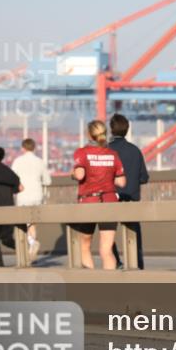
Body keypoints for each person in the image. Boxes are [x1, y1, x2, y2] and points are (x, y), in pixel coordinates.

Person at [72, 120, 126, 270]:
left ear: (89, 134)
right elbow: (121, 182)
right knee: (106, 250)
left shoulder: (82, 152)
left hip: (89, 202)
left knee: (85, 245)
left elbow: (80, 175)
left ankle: (90, 282)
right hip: (110, 201)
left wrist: (73, 173)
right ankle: (110, 285)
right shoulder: (113, 154)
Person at [108, 114, 150, 270]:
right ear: (127, 129)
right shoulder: (135, 151)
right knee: (134, 231)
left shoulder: (106, 151)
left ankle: (116, 261)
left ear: (111, 130)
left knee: (108, 232)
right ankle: (137, 263)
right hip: (131, 197)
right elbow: (144, 178)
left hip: (111, 197)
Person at [11, 138, 51, 262]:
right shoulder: (40, 161)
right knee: (32, 223)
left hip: (23, 195)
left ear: (23, 148)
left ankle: (32, 243)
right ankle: (30, 251)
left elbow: (12, 178)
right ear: (34, 148)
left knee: (25, 223)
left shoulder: (18, 161)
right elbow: (48, 181)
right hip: (37, 195)